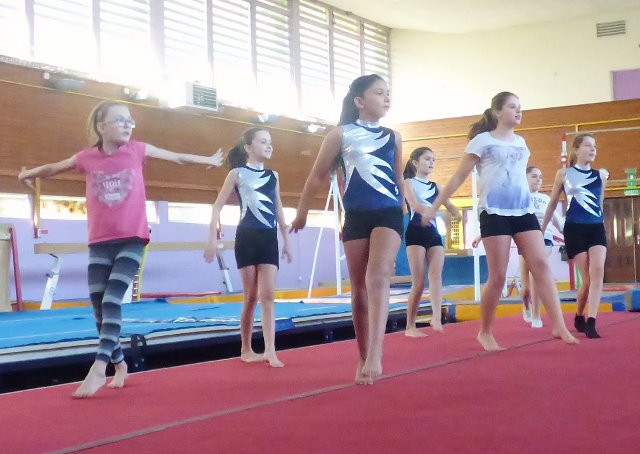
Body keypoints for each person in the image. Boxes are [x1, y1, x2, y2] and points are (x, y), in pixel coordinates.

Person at [18, 100, 224, 398]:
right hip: (100, 241)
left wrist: (207, 158)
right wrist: (28, 173)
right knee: (98, 306)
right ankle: (120, 363)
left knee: (112, 298)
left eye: (130, 121)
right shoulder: (87, 158)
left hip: (132, 238)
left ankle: (98, 368)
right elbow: (54, 167)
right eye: (120, 121)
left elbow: (176, 157)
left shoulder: (137, 150)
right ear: (102, 127)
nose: (128, 125)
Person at [421, 91, 578, 351]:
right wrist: (435, 207)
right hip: (494, 212)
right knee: (498, 276)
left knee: (541, 265)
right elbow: (458, 176)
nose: (518, 111)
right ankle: (485, 332)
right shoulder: (482, 141)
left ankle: (559, 325)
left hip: (523, 211)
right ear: (497, 112)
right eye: (512, 107)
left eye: (520, 107)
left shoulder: (521, 143)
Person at [290, 74, 404, 384]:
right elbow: (317, 176)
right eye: (379, 93)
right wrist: (302, 212)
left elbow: (398, 178)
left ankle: (376, 352)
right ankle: (363, 354)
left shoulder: (394, 137)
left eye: (388, 93)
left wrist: (406, 208)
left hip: (388, 212)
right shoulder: (340, 135)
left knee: (378, 275)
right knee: (359, 289)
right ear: (359, 101)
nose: (386, 97)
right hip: (356, 215)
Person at [204, 128, 292, 367]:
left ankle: (270, 350)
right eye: (263, 142)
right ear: (248, 148)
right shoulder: (237, 174)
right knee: (251, 296)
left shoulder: (273, 176)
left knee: (268, 295)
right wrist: (211, 239)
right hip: (247, 239)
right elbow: (217, 206)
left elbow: (279, 209)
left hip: (269, 239)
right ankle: (246, 348)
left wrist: (286, 241)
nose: (269, 145)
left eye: (270, 142)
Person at [541, 134, 608, 338]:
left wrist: (601, 226)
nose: (593, 149)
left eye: (594, 146)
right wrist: (541, 229)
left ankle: (592, 321)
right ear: (576, 149)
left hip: (595, 227)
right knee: (587, 279)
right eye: (588, 145)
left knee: (598, 272)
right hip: (574, 229)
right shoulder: (564, 174)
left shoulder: (600, 175)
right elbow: (553, 203)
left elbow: (599, 203)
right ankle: (579, 315)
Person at [402, 147, 460, 337]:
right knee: (419, 282)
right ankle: (410, 326)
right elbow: (414, 204)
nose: (431, 162)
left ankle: (436, 316)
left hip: (433, 233)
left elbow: (450, 205)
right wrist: (431, 212)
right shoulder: (408, 182)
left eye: (433, 160)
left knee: (436, 276)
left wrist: (456, 213)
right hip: (416, 231)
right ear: (415, 163)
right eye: (427, 159)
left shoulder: (437, 187)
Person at [519, 166, 564, 328]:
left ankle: (536, 315)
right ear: (525, 178)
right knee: (526, 286)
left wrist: (569, 231)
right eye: (534, 176)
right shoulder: (519, 196)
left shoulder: (545, 198)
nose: (538, 179)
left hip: (544, 238)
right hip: (525, 239)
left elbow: (557, 220)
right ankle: (526, 304)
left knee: (536, 276)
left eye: (540, 177)